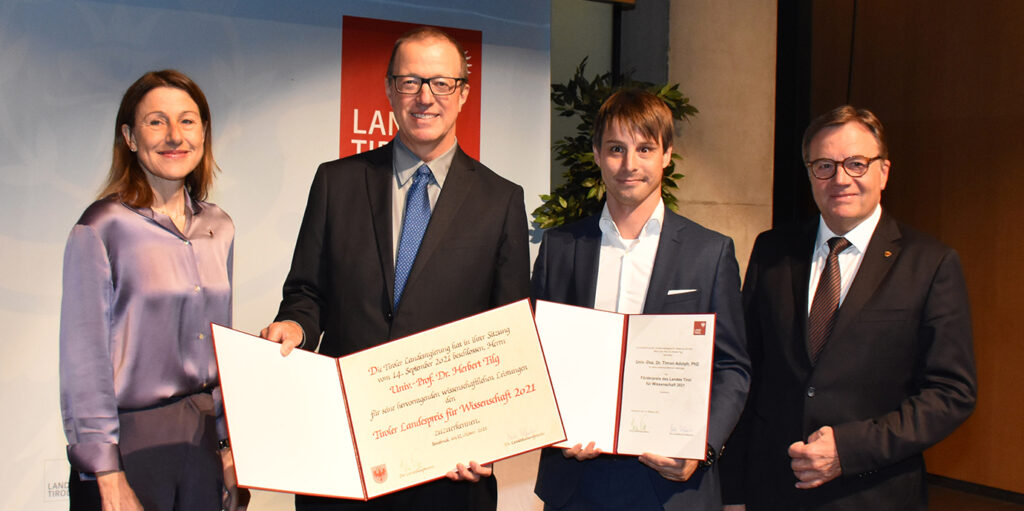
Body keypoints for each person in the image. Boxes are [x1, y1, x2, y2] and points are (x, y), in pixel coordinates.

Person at [260, 26, 530, 511]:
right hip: (343, 452)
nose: (425, 98)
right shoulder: (336, 182)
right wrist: (295, 326)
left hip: (448, 464)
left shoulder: (501, 200)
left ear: (463, 93)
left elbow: (508, 333)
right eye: (410, 82)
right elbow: (306, 293)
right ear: (389, 89)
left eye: (441, 83)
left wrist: (490, 433)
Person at [719, 106, 977, 510]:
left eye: (856, 163)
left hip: (874, 493)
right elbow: (747, 372)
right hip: (774, 491)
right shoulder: (772, 251)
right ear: (809, 175)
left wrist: (849, 448)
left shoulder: (931, 263)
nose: (840, 179)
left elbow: (951, 393)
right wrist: (732, 492)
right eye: (824, 165)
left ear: (883, 172)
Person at [530, 89, 750, 510]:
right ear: (597, 155)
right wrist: (553, 427)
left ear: (667, 155)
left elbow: (732, 367)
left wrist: (700, 445)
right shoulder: (560, 247)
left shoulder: (710, 252)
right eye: (616, 149)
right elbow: (536, 358)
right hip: (577, 484)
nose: (629, 164)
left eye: (645, 149)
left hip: (671, 487)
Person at [59, 70, 247, 511]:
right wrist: (107, 473)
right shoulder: (102, 226)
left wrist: (227, 447)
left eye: (187, 121)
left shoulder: (219, 226)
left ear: (203, 132)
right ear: (129, 136)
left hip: (202, 445)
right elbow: (84, 361)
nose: (174, 135)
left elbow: (219, 347)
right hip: (130, 449)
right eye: (156, 121)